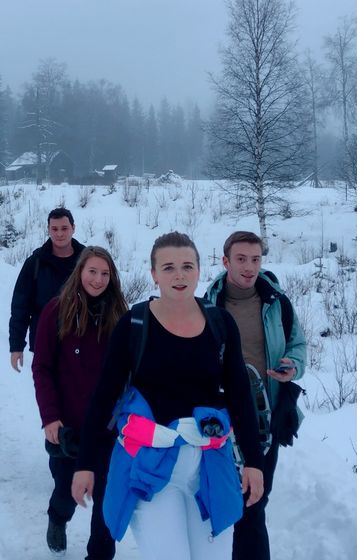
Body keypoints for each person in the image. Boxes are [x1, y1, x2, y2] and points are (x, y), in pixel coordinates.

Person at [71, 232, 264, 560]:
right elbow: (103, 397)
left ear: (199, 271)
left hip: (209, 463)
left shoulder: (220, 323)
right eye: (169, 267)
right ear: (154, 274)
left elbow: (239, 395)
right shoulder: (134, 324)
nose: (179, 275)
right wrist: (86, 464)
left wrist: (254, 462)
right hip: (153, 466)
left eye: (187, 266)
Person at [202, 230, 306, 560]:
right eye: (242, 259)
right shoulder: (208, 305)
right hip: (221, 420)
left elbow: (298, 346)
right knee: (219, 501)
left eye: (256, 259)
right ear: (226, 261)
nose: (250, 267)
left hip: (266, 418)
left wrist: (293, 365)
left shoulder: (277, 304)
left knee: (254, 502)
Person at [32, 246, 128, 558]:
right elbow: (42, 367)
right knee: (66, 490)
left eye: (105, 273)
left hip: (109, 428)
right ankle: (57, 517)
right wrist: (50, 417)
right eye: (92, 272)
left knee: (106, 498)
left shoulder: (121, 317)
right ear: (80, 272)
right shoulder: (56, 310)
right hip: (67, 428)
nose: (98, 280)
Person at [9, 208, 85, 372]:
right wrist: (16, 346)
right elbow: (20, 307)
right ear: (48, 229)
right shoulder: (35, 263)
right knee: (48, 394)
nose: (59, 234)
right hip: (45, 342)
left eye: (64, 228)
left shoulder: (87, 261)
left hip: (82, 342)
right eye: (54, 229)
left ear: (73, 228)